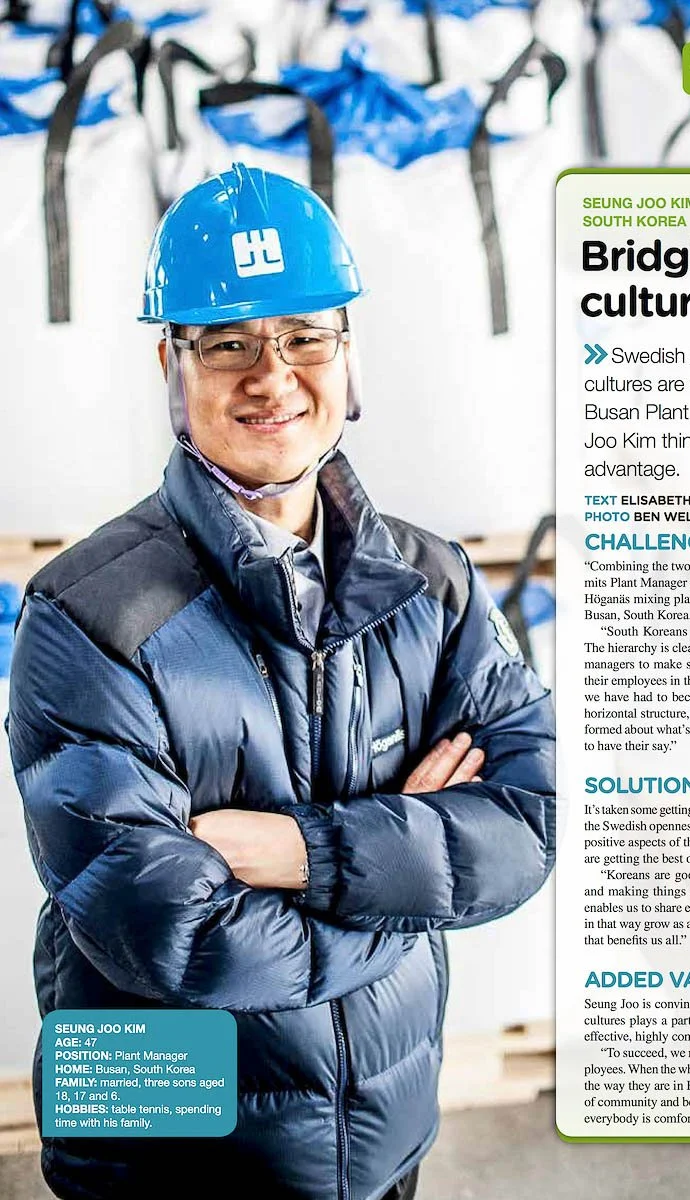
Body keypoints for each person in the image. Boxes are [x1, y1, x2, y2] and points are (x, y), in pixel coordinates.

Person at [6, 161, 555, 1200]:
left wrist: (298, 852)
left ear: (347, 354)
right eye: (228, 344)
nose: (273, 376)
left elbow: (531, 819)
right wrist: (408, 864)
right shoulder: (87, 616)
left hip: (383, 1142)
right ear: (168, 364)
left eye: (305, 337)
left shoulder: (427, 582)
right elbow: (171, 932)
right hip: (177, 1161)